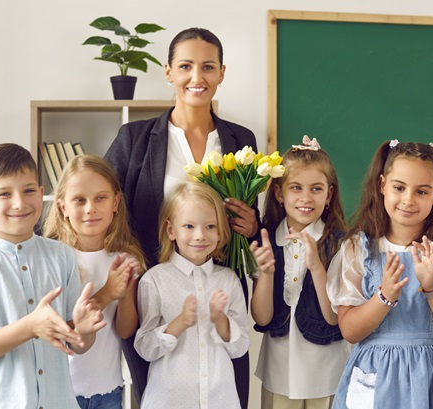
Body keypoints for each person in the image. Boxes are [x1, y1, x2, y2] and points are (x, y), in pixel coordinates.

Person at [103, 27, 257, 408]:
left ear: (222, 73)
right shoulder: (134, 139)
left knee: (226, 387)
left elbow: (256, 221)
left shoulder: (241, 140)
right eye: (185, 66)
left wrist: (253, 226)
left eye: (208, 67)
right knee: (155, 390)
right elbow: (105, 202)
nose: (196, 77)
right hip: (155, 289)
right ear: (168, 71)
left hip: (220, 286)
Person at [0, 143, 105, 408]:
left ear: (41, 194)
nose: (20, 202)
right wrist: (29, 327)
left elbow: (76, 344)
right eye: (4, 193)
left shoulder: (61, 256)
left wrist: (83, 332)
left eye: (29, 191)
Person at [328, 140, 433, 409]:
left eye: (421, 191)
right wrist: (383, 296)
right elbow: (350, 331)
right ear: (382, 185)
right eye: (399, 187)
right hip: (378, 379)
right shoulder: (358, 250)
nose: (408, 199)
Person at [249, 136, 351, 408]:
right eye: (296, 188)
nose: (306, 198)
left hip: (326, 374)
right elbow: (261, 317)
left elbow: (333, 318)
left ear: (329, 195)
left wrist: (317, 266)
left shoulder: (342, 244)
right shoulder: (265, 241)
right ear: (280, 194)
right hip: (278, 372)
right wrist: (267, 274)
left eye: (316, 189)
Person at [134, 181, 250, 409]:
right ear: (171, 230)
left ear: (220, 232)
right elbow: (145, 348)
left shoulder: (228, 280)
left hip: (220, 401)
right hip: (168, 401)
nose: (200, 235)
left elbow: (240, 348)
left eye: (209, 226)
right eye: (188, 226)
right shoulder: (154, 280)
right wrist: (179, 323)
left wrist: (221, 321)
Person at [43, 155, 146, 409]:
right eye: (79, 200)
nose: (90, 208)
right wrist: (108, 292)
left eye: (100, 198)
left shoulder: (126, 258)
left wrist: (124, 295)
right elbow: (57, 330)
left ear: (116, 202)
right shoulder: (53, 258)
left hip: (107, 390)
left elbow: (124, 331)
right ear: (63, 207)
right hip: (59, 393)